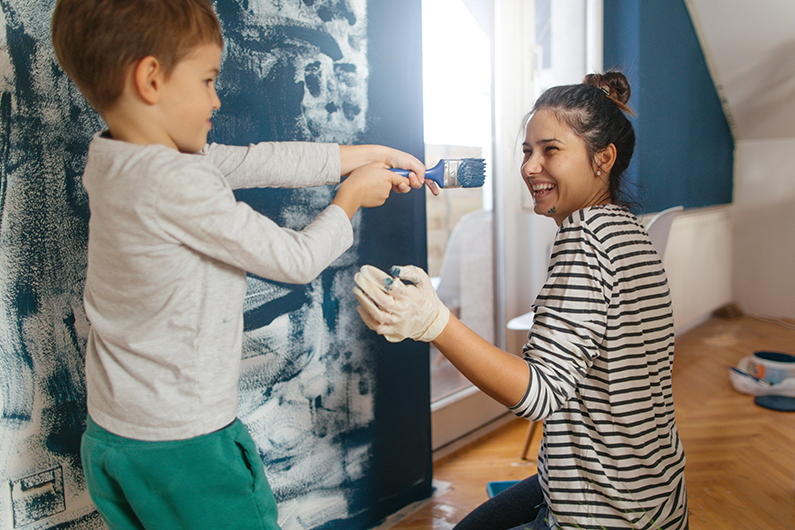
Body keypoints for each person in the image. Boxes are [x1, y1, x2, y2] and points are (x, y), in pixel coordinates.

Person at [50, 0, 426, 529]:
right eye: (206, 80)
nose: (216, 97)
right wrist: (350, 200)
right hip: (185, 446)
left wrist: (361, 153)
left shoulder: (116, 158)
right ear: (152, 79)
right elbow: (294, 259)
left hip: (114, 436)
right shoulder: (178, 182)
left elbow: (257, 159)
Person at [354, 71, 689, 530]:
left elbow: (540, 394)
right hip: (654, 492)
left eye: (550, 150)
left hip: (603, 510)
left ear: (603, 159)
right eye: (527, 151)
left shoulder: (584, 239)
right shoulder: (629, 229)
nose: (530, 167)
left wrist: (433, 322)